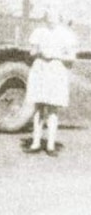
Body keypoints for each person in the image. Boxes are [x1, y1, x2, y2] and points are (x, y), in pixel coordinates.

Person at [24, 10, 77, 156]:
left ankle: (51, 144)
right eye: (49, 17)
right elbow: (32, 52)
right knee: (39, 107)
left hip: (56, 70)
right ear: (45, 18)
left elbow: (71, 57)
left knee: (53, 108)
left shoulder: (66, 34)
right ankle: (35, 142)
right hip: (40, 69)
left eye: (55, 17)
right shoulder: (39, 32)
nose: (51, 20)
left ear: (60, 18)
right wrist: (38, 51)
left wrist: (55, 55)